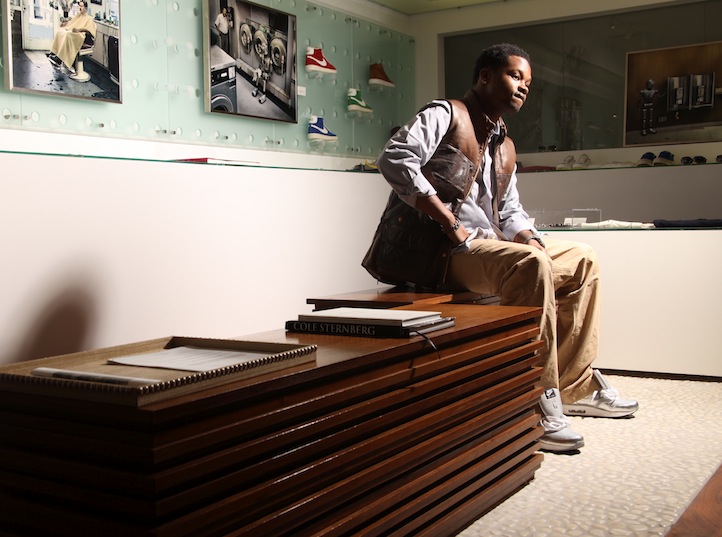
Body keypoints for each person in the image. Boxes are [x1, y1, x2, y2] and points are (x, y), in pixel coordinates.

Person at [371, 43, 638, 453]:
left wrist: (531, 239)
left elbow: (510, 211)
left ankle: (573, 386)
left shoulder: (505, 145)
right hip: (439, 252)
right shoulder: (446, 114)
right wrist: (449, 222)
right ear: (485, 76)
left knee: (582, 259)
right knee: (529, 265)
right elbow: (395, 158)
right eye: (515, 76)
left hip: (485, 247)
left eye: (528, 82)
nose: (524, 87)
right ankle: (533, 399)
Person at [47, 1, 96, 75]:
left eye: (81, 6)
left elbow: (89, 30)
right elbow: (71, 23)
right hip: (74, 33)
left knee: (68, 35)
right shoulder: (78, 15)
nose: (80, 8)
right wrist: (65, 24)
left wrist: (78, 30)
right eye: (79, 6)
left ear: (85, 8)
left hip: (82, 36)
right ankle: (54, 52)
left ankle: (59, 59)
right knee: (60, 32)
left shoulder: (89, 18)